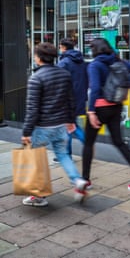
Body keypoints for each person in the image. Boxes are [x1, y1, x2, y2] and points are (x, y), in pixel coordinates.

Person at [22, 42, 88, 206]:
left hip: (43, 126)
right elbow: (71, 101)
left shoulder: (35, 78)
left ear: (38, 58)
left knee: (37, 159)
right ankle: (77, 180)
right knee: (63, 155)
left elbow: (32, 109)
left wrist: (26, 131)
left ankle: (39, 196)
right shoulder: (64, 74)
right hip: (61, 125)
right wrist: (71, 120)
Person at [82, 38, 130, 191]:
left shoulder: (95, 65)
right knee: (119, 142)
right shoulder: (118, 61)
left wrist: (91, 111)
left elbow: (95, 89)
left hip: (99, 108)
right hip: (116, 107)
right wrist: (126, 85)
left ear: (95, 50)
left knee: (88, 143)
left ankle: (85, 180)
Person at [54, 38, 88, 162]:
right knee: (69, 125)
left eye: (59, 46)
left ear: (63, 47)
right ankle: (67, 154)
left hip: (67, 99)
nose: (59, 48)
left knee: (69, 126)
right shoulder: (81, 60)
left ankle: (84, 146)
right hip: (79, 98)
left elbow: (57, 82)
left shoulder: (64, 62)